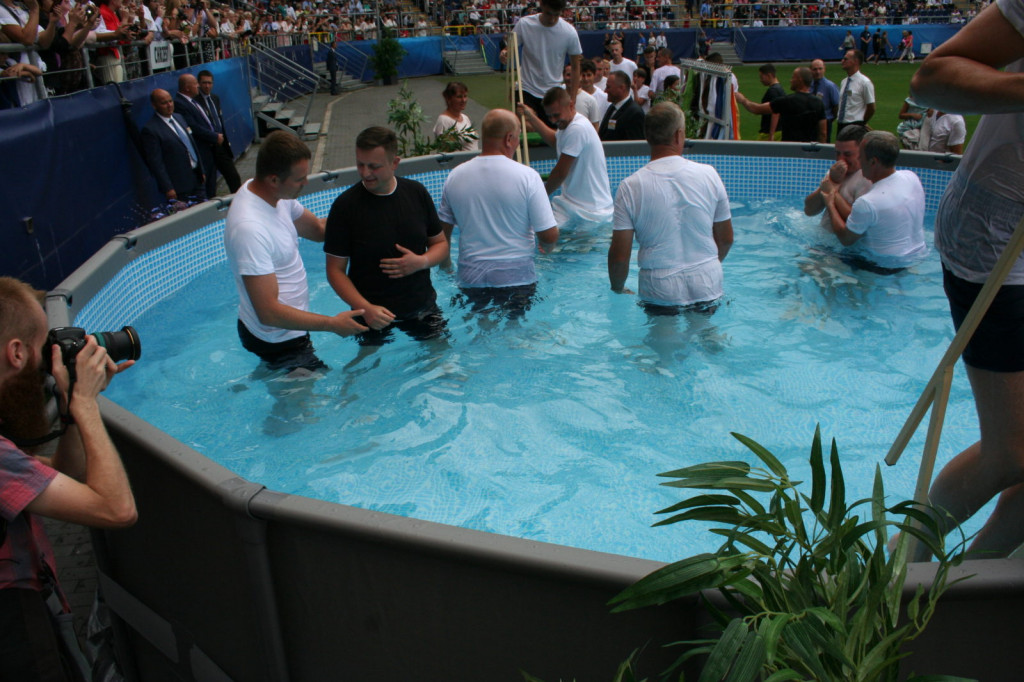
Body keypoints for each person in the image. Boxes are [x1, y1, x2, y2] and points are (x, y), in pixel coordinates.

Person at [908, 0, 1024, 559]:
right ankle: (904, 572)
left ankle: (957, 597)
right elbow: (930, 79)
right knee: (1013, 452)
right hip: (1001, 243)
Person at [0, 276, 137, 681]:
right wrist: (88, 404)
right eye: (44, 346)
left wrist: (70, 407)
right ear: (17, 352)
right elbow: (116, 510)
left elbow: (56, 479)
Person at [224, 131, 367, 373]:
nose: (306, 183)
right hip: (277, 339)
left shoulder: (274, 195)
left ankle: (267, 377)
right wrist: (332, 324)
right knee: (314, 404)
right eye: (300, 179)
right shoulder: (250, 228)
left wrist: (362, 213)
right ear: (273, 179)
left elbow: (320, 230)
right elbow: (268, 312)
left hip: (286, 330)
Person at [324, 127, 449, 346]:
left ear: (395, 162)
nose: (365, 172)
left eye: (374, 166)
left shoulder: (416, 193)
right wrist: (366, 308)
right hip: (370, 314)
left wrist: (422, 262)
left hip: (421, 306)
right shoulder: (345, 206)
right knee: (367, 369)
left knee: (443, 362)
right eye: (360, 164)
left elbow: (440, 244)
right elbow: (335, 271)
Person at [608, 102, 734, 313]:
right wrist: (705, 266)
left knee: (663, 344)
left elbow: (620, 257)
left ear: (647, 137)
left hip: (659, 286)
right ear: (678, 135)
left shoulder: (630, 186)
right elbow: (726, 238)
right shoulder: (709, 174)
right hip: (707, 281)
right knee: (708, 338)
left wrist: (618, 289)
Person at [437, 109, 558, 315]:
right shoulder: (528, 176)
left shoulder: (455, 176)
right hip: (517, 278)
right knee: (515, 333)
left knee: (480, 328)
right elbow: (548, 234)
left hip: (471, 278)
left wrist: (447, 267)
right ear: (509, 138)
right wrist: (547, 247)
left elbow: (442, 235)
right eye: (518, 137)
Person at [822, 131, 927, 271]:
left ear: (873, 162)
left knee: (811, 268)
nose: (858, 161)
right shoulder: (911, 177)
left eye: (860, 157)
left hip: (879, 267)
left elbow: (845, 239)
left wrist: (830, 201)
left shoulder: (868, 202)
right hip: (917, 257)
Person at [518, 87, 614, 230]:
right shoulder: (568, 125)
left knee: (546, 235)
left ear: (571, 105)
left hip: (591, 211)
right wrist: (531, 116)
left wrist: (539, 197)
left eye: (556, 115)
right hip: (574, 206)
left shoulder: (577, 128)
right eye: (549, 116)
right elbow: (556, 141)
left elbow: (560, 173)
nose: (553, 120)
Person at [510, 0, 582, 128]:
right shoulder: (525, 24)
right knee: (525, 127)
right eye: (549, 13)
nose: (552, 19)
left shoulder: (569, 32)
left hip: (553, 91)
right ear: (542, 5)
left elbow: (576, 67)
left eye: (557, 14)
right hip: (527, 88)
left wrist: (573, 98)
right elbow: (511, 48)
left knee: (553, 133)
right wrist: (505, 53)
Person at [141, 88, 206, 207]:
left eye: (170, 101)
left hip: (196, 178)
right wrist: (168, 188)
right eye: (164, 103)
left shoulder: (179, 117)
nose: (169, 105)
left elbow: (191, 145)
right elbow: (156, 163)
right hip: (179, 186)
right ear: (154, 106)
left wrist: (200, 170)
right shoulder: (151, 130)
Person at [804, 123, 872, 230]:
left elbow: (858, 221)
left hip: (843, 245)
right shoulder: (837, 171)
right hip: (823, 241)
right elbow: (809, 211)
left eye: (847, 154)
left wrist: (832, 190)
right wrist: (829, 183)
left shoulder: (868, 179)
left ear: (863, 151)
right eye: (837, 153)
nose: (841, 159)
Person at [735, 66, 826, 143]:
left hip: (789, 149)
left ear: (800, 80)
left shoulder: (787, 101)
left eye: (793, 77)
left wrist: (743, 100)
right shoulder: (819, 103)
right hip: (808, 151)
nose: (790, 80)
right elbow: (823, 133)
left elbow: (757, 109)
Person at [174, 72, 221, 199]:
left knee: (212, 186)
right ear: (187, 87)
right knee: (205, 189)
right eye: (196, 84)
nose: (198, 87)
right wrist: (214, 136)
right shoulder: (180, 104)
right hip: (201, 151)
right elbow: (194, 127)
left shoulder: (192, 102)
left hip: (209, 149)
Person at [196, 70, 242, 194]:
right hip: (207, 148)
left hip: (221, 147)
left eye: (209, 83)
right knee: (210, 184)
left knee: (234, 177)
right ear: (198, 83)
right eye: (204, 83)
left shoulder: (215, 99)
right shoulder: (195, 102)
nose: (207, 86)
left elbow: (219, 121)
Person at [432, 81, 478, 152]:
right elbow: (445, 151)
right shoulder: (444, 121)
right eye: (459, 97)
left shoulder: (465, 118)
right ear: (449, 99)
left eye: (465, 96)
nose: (463, 100)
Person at [599, 70, 646, 141]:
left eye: (608, 87)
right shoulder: (612, 107)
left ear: (622, 88)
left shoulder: (635, 113)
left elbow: (635, 147)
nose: (605, 91)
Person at [836, 49, 875, 132]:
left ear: (855, 61)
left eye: (846, 59)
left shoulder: (865, 83)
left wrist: (861, 123)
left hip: (854, 125)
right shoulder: (844, 82)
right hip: (841, 124)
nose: (842, 61)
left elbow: (871, 107)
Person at [809, 58, 840, 142]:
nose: (818, 72)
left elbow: (836, 106)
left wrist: (830, 118)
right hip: (809, 122)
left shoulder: (830, 86)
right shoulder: (808, 85)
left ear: (824, 69)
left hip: (825, 122)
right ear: (810, 70)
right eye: (815, 69)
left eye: (820, 69)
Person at [752, 63, 785, 141]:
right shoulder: (780, 89)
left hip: (769, 132)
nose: (761, 80)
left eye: (762, 77)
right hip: (779, 130)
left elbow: (775, 112)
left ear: (769, 75)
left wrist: (771, 134)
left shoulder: (773, 91)